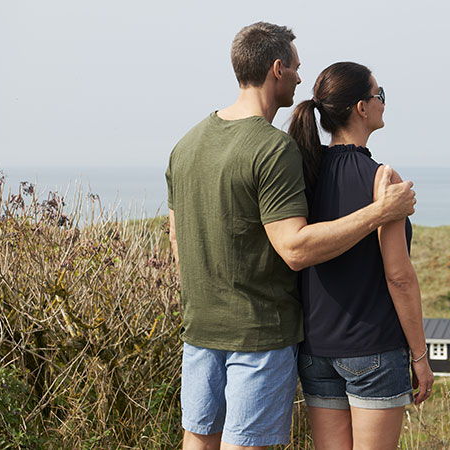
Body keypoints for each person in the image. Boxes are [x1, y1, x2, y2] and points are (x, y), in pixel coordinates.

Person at [165, 24, 416, 450]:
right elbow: (295, 248)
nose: (302, 79)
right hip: (258, 335)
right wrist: (380, 211)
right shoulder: (271, 148)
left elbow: (176, 240)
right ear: (277, 69)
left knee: (198, 440)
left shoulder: (186, 145)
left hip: (200, 331)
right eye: (297, 68)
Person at [288, 62, 434, 450]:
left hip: (316, 350)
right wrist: (420, 355)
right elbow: (399, 277)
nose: (383, 102)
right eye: (379, 94)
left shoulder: (304, 172)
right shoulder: (384, 181)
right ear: (361, 108)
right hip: (373, 348)